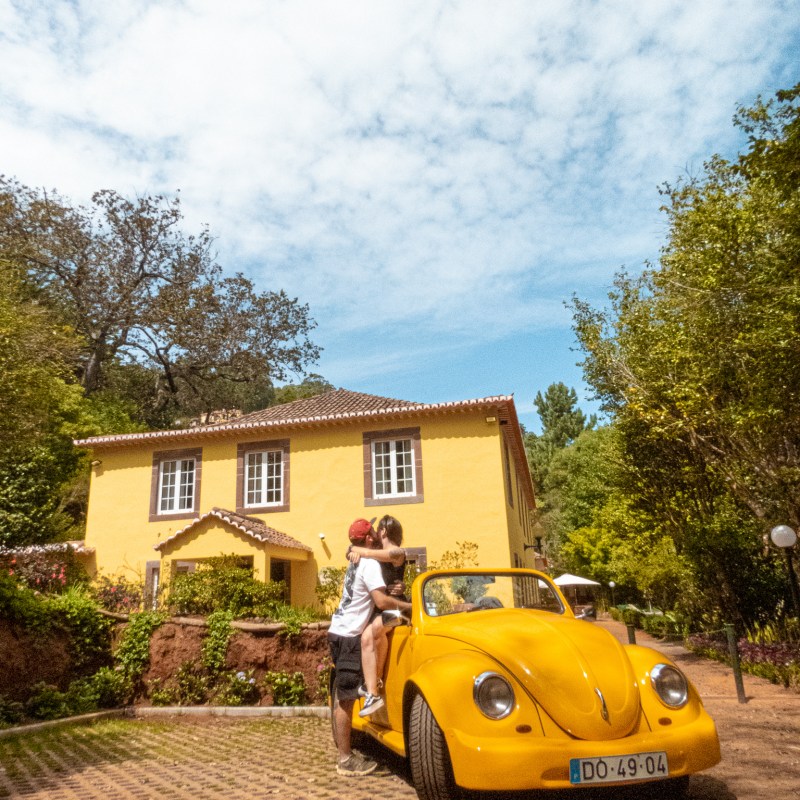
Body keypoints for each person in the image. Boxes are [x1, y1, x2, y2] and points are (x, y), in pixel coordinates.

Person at [328, 517, 411, 777]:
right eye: (372, 532)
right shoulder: (370, 563)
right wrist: (411, 606)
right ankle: (345, 759)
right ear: (369, 537)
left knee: (344, 695)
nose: (375, 534)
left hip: (338, 630)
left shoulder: (359, 559)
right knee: (346, 701)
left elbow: (394, 555)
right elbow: (382, 602)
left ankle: (369, 687)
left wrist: (357, 550)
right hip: (349, 634)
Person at [346, 515, 407, 717]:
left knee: (376, 630)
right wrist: (352, 552)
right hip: (383, 609)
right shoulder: (374, 553)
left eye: (377, 531)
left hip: (398, 610)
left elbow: (388, 555)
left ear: (383, 531)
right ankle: (372, 687)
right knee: (367, 637)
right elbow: (361, 551)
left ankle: (374, 688)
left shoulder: (398, 552)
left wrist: (356, 551)